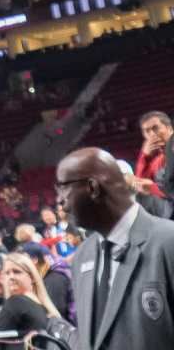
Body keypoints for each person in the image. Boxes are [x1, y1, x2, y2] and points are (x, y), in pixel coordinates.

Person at [58, 147, 174, 349]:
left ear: (92, 187)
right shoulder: (82, 257)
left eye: (63, 188)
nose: (60, 201)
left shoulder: (168, 241)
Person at [0, 252, 62, 339]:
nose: (11, 277)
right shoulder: (46, 308)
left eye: (17, 272)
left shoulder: (15, 302)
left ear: (32, 277)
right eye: (7, 273)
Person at [135, 111, 172, 197]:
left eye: (156, 128)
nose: (152, 134)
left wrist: (152, 188)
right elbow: (141, 186)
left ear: (170, 128)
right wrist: (144, 157)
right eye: (147, 131)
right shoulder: (158, 161)